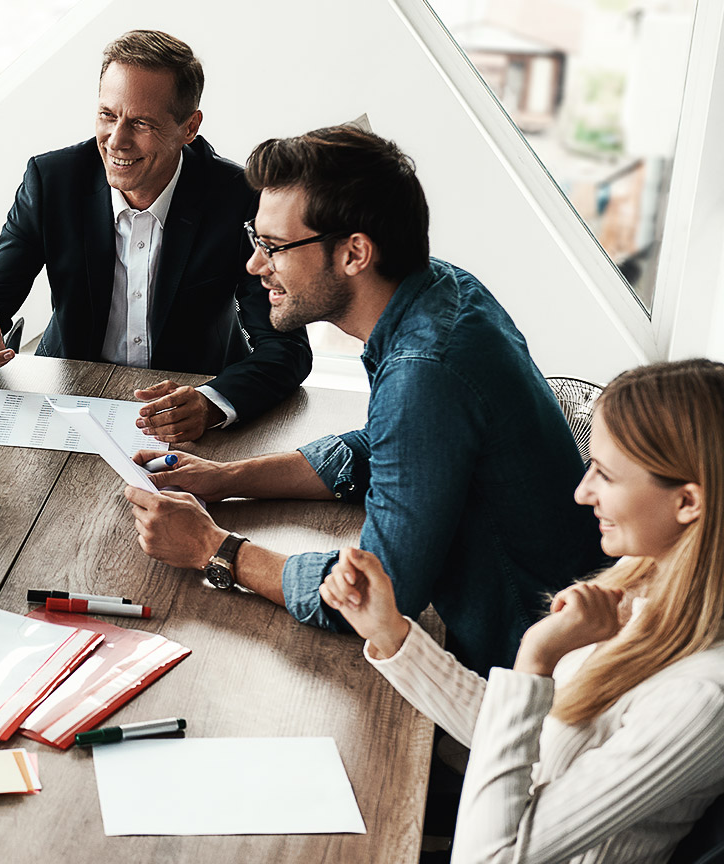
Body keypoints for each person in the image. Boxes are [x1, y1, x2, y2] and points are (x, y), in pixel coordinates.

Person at [125, 125, 603, 675]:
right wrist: (226, 479)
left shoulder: (425, 372)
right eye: (255, 242)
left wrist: (214, 549)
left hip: (522, 672)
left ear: (355, 252)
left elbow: (372, 595)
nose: (255, 266)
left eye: (273, 247)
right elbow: (384, 448)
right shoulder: (445, 292)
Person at [321, 359, 724, 863]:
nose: (582, 492)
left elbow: (488, 856)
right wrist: (390, 634)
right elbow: (522, 746)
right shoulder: (639, 590)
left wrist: (537, 658)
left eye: (605, 474)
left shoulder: (701, 698)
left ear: (688, 502)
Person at [0, 30, 311, 442]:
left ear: (189, 127)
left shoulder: (239, 198)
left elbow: (287, 351)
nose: (116, 140)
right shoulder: (52, 182)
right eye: (107, 115)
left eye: (140, 123)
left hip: (189, 409)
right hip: (68, 398)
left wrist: (212, 401)